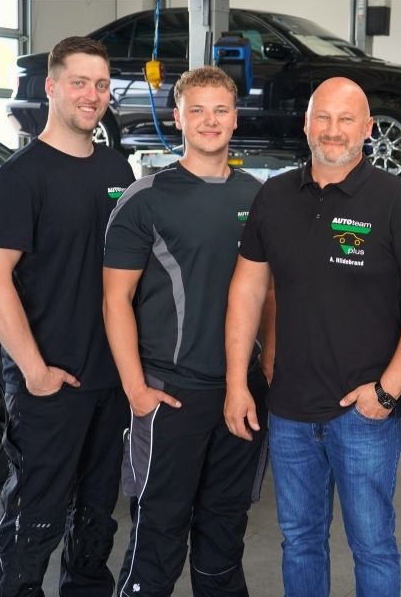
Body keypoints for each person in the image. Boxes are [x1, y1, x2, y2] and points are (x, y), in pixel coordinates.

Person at [224, 76, 401, 597]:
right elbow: (247, 292)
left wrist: (387, 391)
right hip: (288, 412)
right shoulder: (275, 196)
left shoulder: (397, 201)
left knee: (372, 545)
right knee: (299, 539)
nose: (332, 130)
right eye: (322, 117)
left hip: (362, 414)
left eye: (345, 119)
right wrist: (237, 382)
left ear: (368, 129)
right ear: (306, 124)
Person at [0, 36, 135, 596]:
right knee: (35, 519)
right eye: (78, 82)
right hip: (49, 385)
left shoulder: (118, 167)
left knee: (96, 519)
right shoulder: (21, 176)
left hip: (108, 380)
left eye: (100, 84)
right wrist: (35, 371)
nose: (91, 95)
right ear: (51, 87)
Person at [102, 66, 269, 597]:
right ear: (177, 118)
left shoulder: (257, 196)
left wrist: (268, 370)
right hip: (170, 395)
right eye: (196, 110)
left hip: (240, 393)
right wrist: (136, 390)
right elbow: (115, 300)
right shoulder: (146, 198)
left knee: (224, 534)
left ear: (235, 119)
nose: (209, 120)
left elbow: (272, 295)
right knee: (158, 535)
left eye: (220, 109)